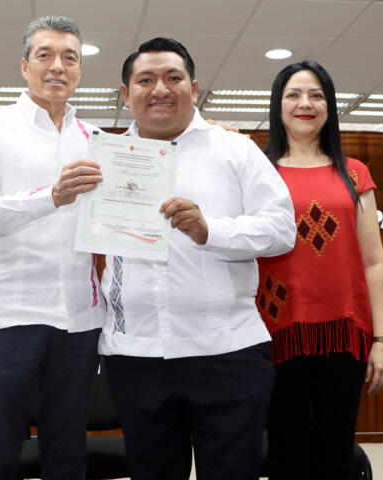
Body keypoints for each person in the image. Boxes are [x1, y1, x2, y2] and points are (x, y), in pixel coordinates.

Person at [98, 37, 296, 480]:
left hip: (226, 351)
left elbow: (283, 230)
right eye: (145, 80)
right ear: (126, 94)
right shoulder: (103, 160)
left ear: (195, 87)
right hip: (136, 354)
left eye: (173, 78)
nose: (160, 89)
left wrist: (212, 231)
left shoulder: (235, 150)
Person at [0, 15, 104, 479]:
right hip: (9, 317)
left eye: (70, 57)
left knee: (67, 455)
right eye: (45, 55)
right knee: (0, 454)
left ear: (79, 71)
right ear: (24, 66)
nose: (57, 66)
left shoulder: (97, 140)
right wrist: (51, 197)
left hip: (79, 320)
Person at [256, 60, 383, 480]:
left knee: (337, 455)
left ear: (329, 106)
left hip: (343, 333)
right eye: (293, 94)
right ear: (278, 106)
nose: (305, 104)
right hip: (274, 331)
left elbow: (374, 260)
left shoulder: (354, 173)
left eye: (316, 95)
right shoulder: (259, 170)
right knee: (284, 453)